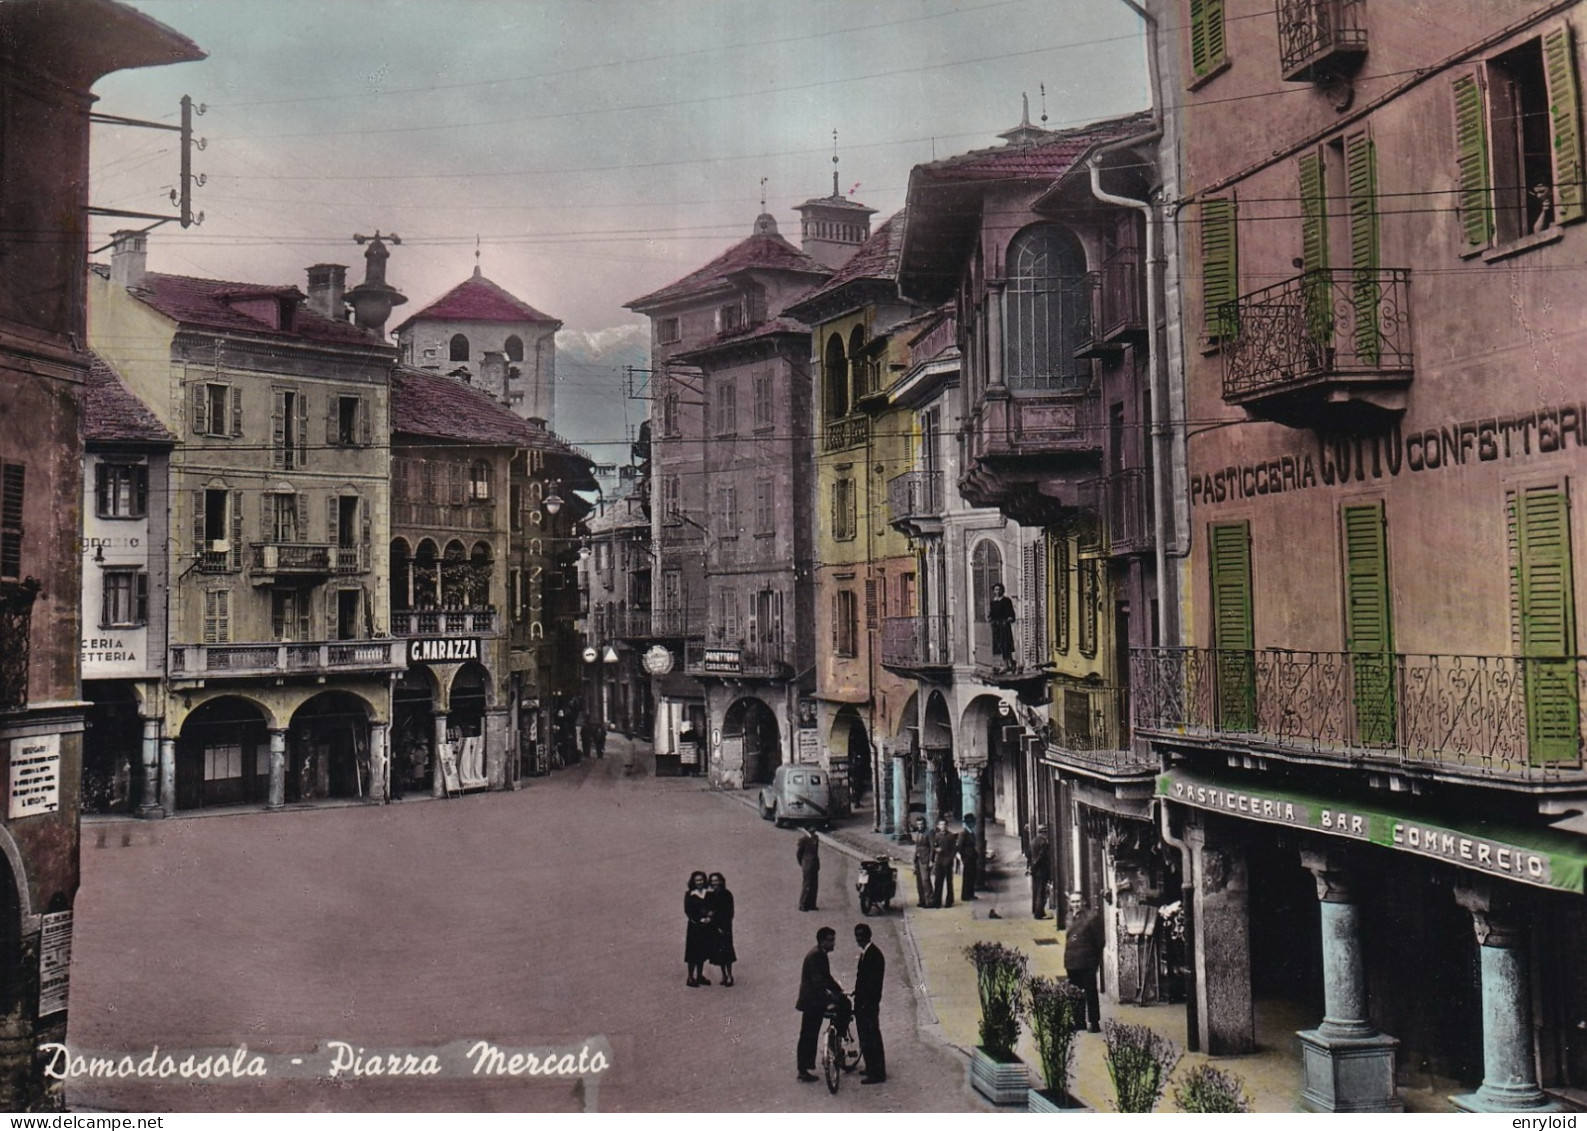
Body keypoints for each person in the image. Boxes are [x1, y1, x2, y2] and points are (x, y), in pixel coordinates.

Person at [795, 926, 850, 1082]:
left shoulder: (819, 954)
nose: (833, 943)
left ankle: (805, 1067)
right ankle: (804, 1068)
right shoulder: (817, 956)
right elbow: (819, 982)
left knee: (808, 1034)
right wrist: (832, 998)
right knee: (808, 1034)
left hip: (812, 1000)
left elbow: (826, 978)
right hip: (813, 1001)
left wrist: (838, 990)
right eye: (830, 940)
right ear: (822, 941)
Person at [1064, 892, 1105, 1032]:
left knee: (1090, 992)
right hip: (1071, 960)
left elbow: (1099, 941)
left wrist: (1095, 959)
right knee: (1075, 991)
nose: (1075, 904)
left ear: (1083, 902)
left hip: (1087, 961)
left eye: (1078, 901)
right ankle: (1078, 1021)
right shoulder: (1069, 917)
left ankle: (1094, 1022)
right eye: (1073, 901)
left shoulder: (1092, 918)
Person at [852, 923, 886, 1084]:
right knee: (865, 1036)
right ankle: (871, 1066)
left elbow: (872, 984)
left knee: (871, 1036)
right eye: (857, 936)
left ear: (868, 936)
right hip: (864, 1003)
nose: (859, 939)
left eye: (861, 936)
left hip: (868, 1004)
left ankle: (877, 1072)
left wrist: (865, 1001)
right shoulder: (867, 953)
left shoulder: (874, 955)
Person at [684, 871, 714, 987]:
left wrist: (709, 917)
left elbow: (712, 907)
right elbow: (688, 911)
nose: (699, 882)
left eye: (701, 880)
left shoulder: (708, 894)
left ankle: (700, 976)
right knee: (693, 952)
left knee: (702, 951)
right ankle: (690, 977)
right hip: (694, 927)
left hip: (705, 927)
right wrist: (699, 919)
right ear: (693, 882)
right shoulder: (690, 894)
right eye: (697, 880)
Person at [706, 872, 736, 987]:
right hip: (715, 926)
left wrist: (723, 927)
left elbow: (729, 912)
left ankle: (729, 975)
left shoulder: (727, 894)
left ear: (721, 881)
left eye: (716, 881)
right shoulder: (712, 895)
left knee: (727, 951)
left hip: (725, 926)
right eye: (712, 881)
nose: (714, 883)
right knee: (719, 952)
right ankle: (723, 975)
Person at [988, 583, 1017, 672]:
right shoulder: (993, 602)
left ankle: (1007, 665)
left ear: (1002, 590)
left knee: (1006, 645)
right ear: (993, 591)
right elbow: (991, 614)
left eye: (999, 589)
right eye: (995, 590)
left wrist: (1009, 619)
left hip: (1004, 626)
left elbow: (1011, 613)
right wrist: (990, 619)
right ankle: (1010, 663)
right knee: (1000, 646)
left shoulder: (1006, 601)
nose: (997, 591)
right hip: (997, 626)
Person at [931, 816, 958, 909]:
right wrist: (935, 852)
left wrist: (949, 860)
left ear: (947, 826)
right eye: (941, 824)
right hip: (939, 861)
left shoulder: (950, 836)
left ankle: (949, 901)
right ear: (938, 826)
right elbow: (933, 847)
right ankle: (936, 901)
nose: (943, 826)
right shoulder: (936, 836)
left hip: (948, 861)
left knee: (949, 882)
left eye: (944, 824)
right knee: (938, 881)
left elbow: (954, 850)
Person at [1029, 823, 1052, 920]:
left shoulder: (1033, 841)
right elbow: (1042, 856)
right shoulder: (1044, 842)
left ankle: (1036, 910)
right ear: (1045, 832)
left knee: (1036, 890)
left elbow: (1029, 855)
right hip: (1042, 870)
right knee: (1041, 892)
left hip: (1035, 870)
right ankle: (1039, 913)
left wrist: (1032, 867)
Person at [911, 817, 935, 908]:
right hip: (918, 859)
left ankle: (930, 901)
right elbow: (917, 847)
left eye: (921, 824)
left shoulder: (929, 832)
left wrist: (931, 860)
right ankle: (922, 900)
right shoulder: (918, 833)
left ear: (925, 824)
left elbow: (932, 847)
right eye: (918, 824)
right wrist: (914, 860)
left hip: (926, 859)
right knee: (919, 882)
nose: (920, 826)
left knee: (925, 880)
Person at [796, 827, 821, 912]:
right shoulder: (803, 839)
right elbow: (799, 854)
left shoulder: (816, 838)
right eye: (812, 829)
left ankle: (812, 904)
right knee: (807, 884)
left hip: (814, 864)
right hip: (807, 864)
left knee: (814, 885)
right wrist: (802, 863)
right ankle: (803, 904)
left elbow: (816, 852)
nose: (814, 830)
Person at [957, 812, 980, 901]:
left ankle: (970, 894)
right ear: (969, 823)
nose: (973, 824)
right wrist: (964, 856)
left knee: (972, 876)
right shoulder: (963, 833)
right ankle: (966, 895)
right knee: (967, 877)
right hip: (967, 858)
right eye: (972, 822)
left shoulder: (970, 832)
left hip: (972, 857)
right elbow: (959, 846)